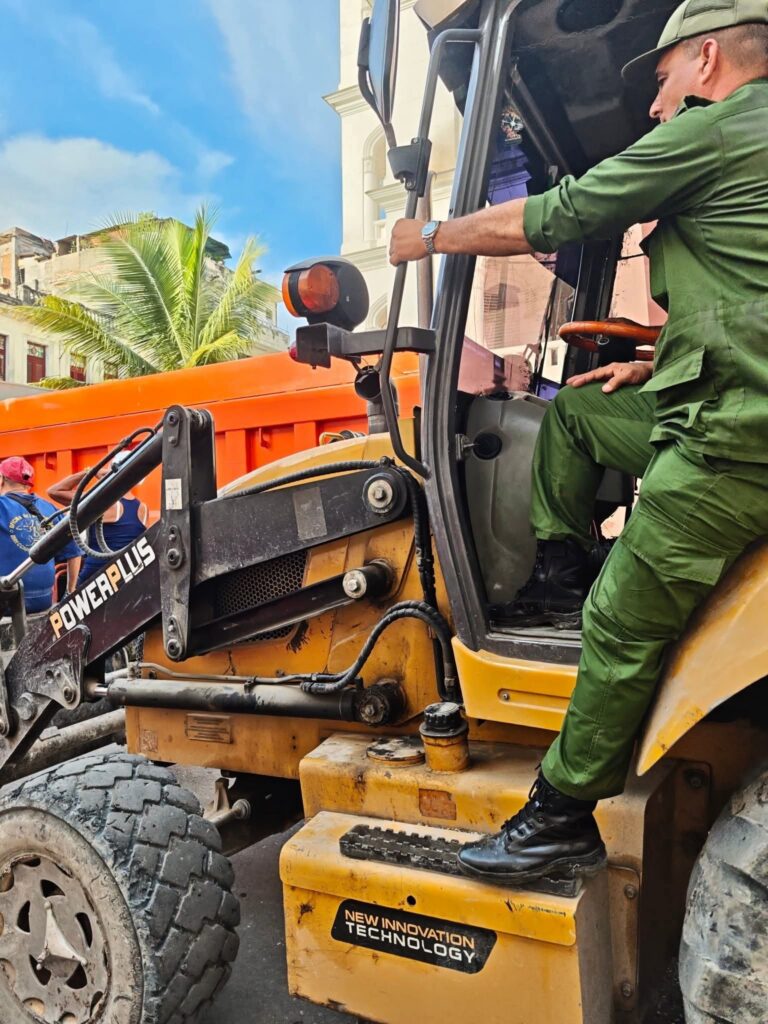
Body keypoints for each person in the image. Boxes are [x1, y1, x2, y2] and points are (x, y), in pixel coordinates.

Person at [390, 1, 768, 884]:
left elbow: (559, 215)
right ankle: (561, 564)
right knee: (576, 414)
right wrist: (656, 360)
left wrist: (429, 237)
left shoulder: (720, 128)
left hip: (733, 440)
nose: (655, 104)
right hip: (720, 400)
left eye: (663, 79)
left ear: (708, 58)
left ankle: (558, 818)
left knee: (620, 621)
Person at [48, 451, 148, 585]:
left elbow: (54, 491)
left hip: (95, 579)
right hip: (125, 578)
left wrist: (90, 472)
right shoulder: (143, 509)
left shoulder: (106, 503)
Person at [0, 456, 82, 613]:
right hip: (43, 601)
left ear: (2, 479)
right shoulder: (49, 508)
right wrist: (70, 591)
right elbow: (75, 551)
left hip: (8, 603)